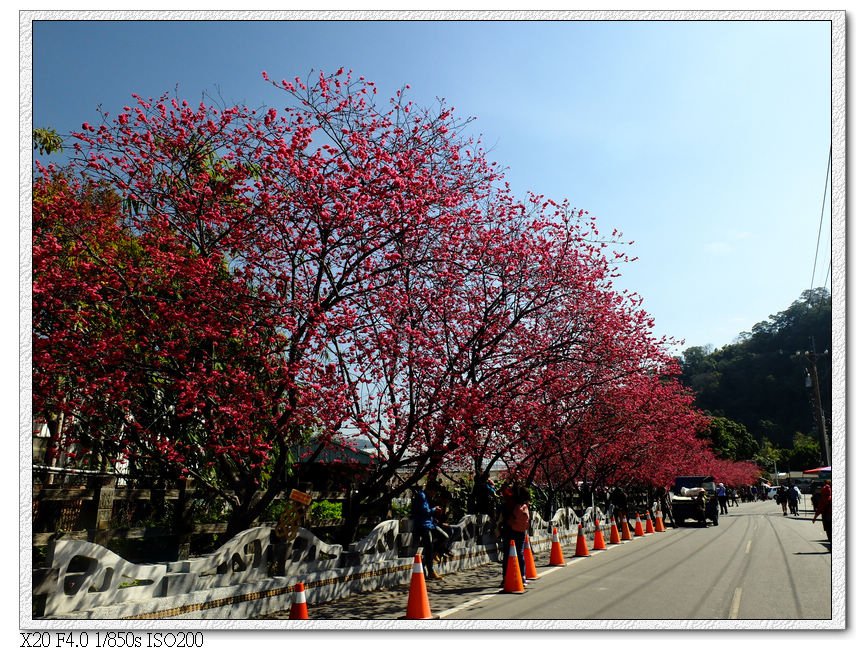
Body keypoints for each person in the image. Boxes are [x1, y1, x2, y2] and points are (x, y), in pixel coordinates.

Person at [411, 481, 447, 580]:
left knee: (444, 536)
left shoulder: (427, 497)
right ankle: (430, 570)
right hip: (422, 525)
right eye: (434, 492)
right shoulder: (421, 496)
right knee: (428, 545)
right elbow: (424, 511)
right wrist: (434, 509)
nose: (434, 495)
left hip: (430, 524)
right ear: (430, 490)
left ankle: (434, 554)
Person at [499, 484, 531, 585]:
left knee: (507, 554)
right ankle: (522, 576)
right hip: (520, 531)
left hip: (509, 530)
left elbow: (503, 491)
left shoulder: (510, 501)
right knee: (519, 553)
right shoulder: (523, 505)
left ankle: (505, 577)